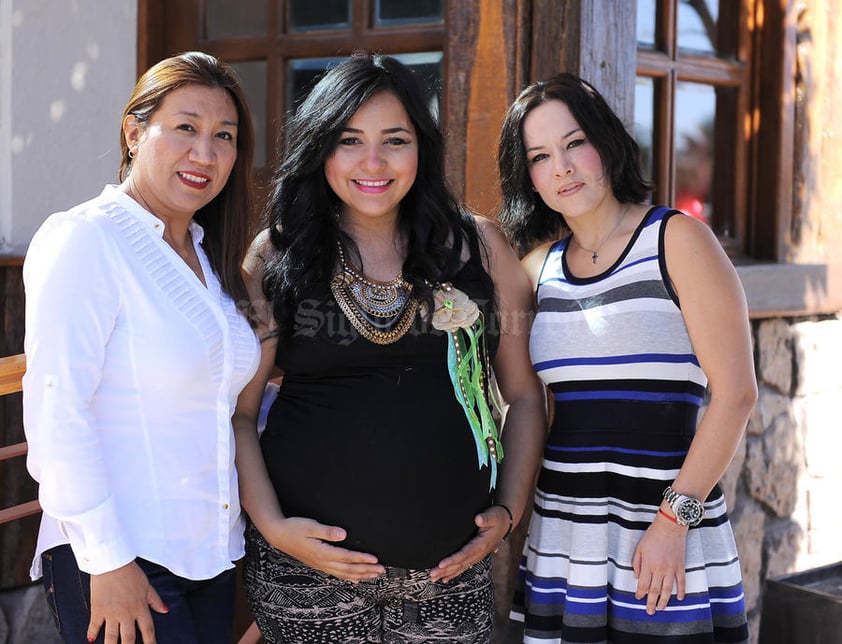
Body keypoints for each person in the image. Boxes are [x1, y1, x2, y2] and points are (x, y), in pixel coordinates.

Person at [231, 52, 546, 643]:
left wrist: (506, 514)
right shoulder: (275, 257)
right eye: (349, 140)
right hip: (308, 582)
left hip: (448, 579)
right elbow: (242, 414)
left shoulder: (477, 248)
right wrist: (273, 527)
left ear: (421, 147)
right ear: (320, 147)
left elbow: (524, 397)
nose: (372, 162)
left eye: (394, 139)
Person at [496, 73, 757, 643]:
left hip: (667, 532)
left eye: (573, 143)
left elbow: (736, 394)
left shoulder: (678, 240)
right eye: (540, 156)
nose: (561, 167)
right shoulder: (535, 270)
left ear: (606, 143)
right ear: (529, 180)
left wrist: (672, 522)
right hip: (567, 538)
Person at [22, 51, 261, 644]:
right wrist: (106, 560)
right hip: (118, 557)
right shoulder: (85, 239)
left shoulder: (210, 261)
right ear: (135, 130)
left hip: (211, 555)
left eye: (223, 136)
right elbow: (57, 412)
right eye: (185, 128)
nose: (204, 154)